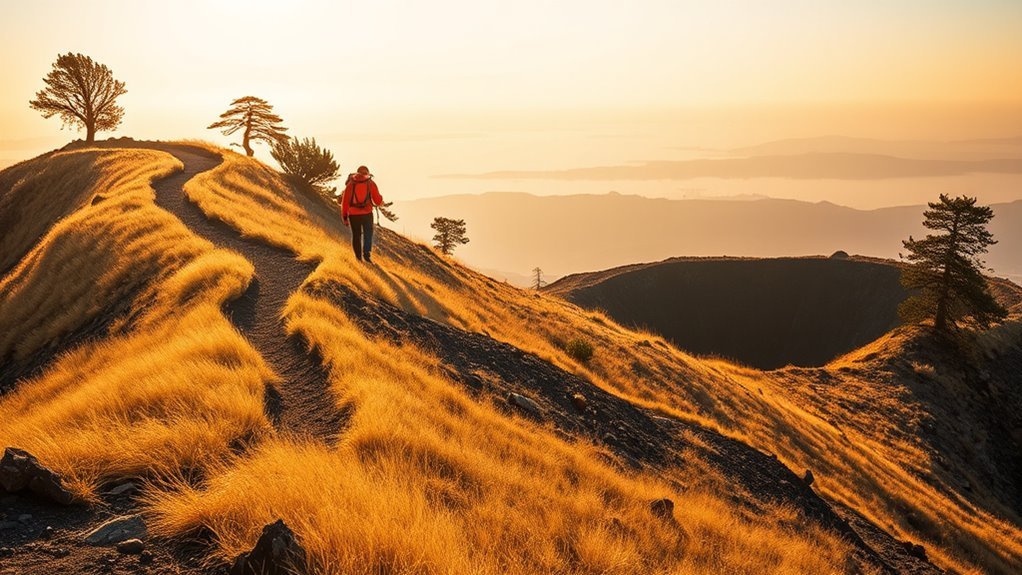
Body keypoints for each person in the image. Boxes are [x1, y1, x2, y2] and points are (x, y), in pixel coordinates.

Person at [339, 165, 383, 263]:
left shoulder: (350, 184)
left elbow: (345, 202)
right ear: (367, 173)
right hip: (367, 213)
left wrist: (345, 217)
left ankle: (358, 258)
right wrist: (381, 199)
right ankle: (366, 255)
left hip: (353, 215)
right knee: (368, 233)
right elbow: (378, 201)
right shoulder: (370, 183)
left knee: (356, 235)